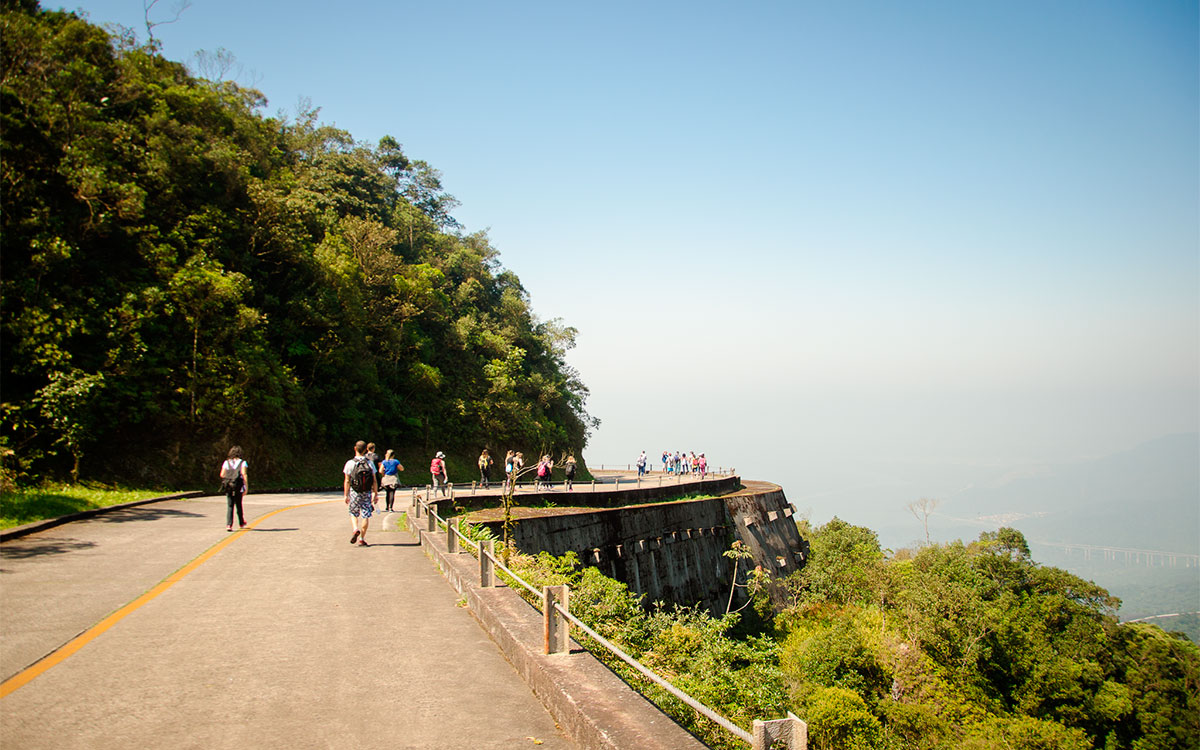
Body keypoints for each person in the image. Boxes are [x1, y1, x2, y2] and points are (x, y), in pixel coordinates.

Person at [343, 441, 378, 547]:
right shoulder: (370, 463)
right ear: (365, 450)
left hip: (355, 492)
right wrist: (375, 493)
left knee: (353, 513)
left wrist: (346, 494)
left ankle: (355, 529)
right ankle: (362, 538)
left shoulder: (350, 463)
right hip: (366, 492)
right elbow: (374, 480)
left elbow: (347, 480)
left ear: (355, 449)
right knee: (366, 514)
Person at [218, 446, 249, 532]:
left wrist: (229, 477)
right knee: (239, 504)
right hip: (238, 485)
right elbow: (244, 474)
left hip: (228, 485)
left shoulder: (226, 462)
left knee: (230, 505)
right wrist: (246, 486)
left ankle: (229, 524)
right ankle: (241, 522)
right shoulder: (243, 462)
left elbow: (222, 474)